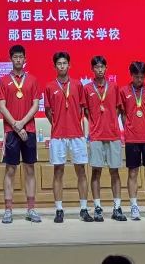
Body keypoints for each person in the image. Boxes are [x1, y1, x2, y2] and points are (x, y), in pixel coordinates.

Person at [44, 51, 92, 224]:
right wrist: (58, 124)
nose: (62, 66)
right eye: (59, 63)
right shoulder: (49, 87)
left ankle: (84, 209)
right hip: (58, 136)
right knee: (58, 171)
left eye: (64, 63)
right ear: (55, 66)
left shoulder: (78, 85)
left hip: (77, 135)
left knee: (81, 171)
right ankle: (59, 210)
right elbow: (48, 111)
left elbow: (83, 109)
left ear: (69, 65)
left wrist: (79, 128)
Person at [0, 44, 41, 223]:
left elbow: (36, 105)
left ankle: (31, 209)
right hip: (11, 131)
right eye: (15, 57)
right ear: (10, 59)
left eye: (21, 57)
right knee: (10, 169)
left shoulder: (32, 80)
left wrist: (22, 123)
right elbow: (1, 107)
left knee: (30, 168)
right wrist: (16, 125)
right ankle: (8, 210)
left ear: (25, 59)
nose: (18, 60)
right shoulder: (3, 81)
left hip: (29, 130)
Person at [84, 54, 125, 221]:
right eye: (96, 67)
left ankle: (117, 207)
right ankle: (98, 208)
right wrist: (96, 123)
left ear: (106, 68)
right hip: (96, 136)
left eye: (102, 67)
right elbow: (86, 111)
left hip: (113, 135)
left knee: (115, 171)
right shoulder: (87, 89)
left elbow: (118, 108)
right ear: (92, 69)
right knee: (96, 172)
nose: (99, 70)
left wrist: (110, 122)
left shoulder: (114, 87)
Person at [119, 61, 145, 220]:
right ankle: (134, 206)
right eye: (136, 76)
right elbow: (123, 114)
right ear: (131, 75)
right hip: (132, 139)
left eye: (142, 77)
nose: (139, 80)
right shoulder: (124, 91)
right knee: (133, 172)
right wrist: (129, 129)